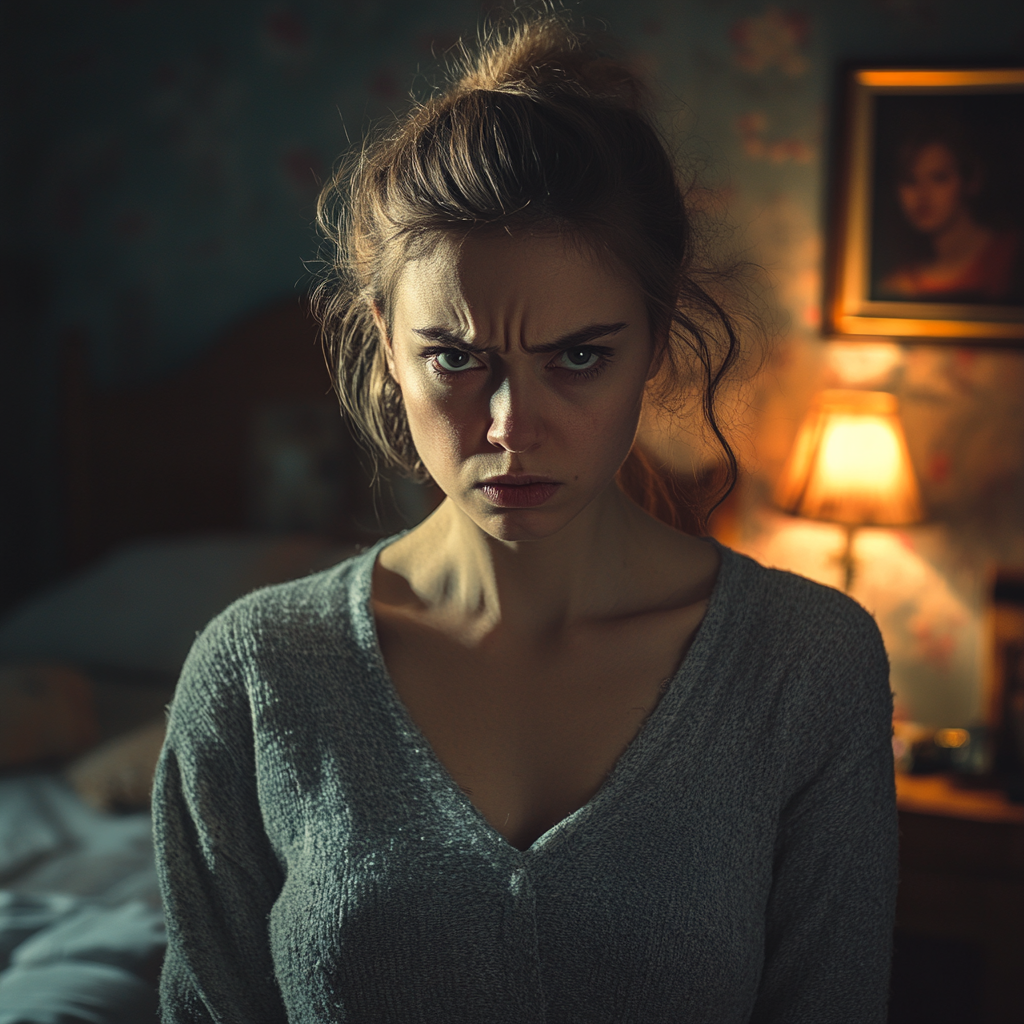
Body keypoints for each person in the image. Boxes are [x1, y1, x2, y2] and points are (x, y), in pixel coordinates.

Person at [153, 12, 898, 1023]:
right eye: (457, 358)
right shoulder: (255, 673)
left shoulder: (808, 665)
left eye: (578, 356)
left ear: (655, 335)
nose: (511, 427)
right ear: (385, 339)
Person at [877, 124, 1021, 303]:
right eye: (910, 180)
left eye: (939, 178)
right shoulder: (898, 285)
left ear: (970, 181)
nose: (922, 195)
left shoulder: (1012, 256)